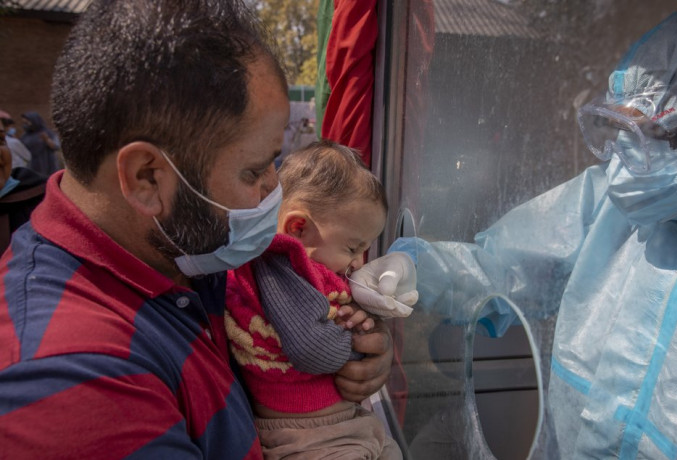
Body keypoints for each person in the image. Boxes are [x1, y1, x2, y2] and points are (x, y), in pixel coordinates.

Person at [0, 1, 393, 458]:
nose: (274, 189)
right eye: (254, 171)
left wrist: (358, 352)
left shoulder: (182, 246)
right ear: (148, 177)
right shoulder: (73, 386)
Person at [352, 0, 677, 458]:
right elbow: (503, 266)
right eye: (624, 130)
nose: (625, 163)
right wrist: (415, 268)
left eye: (660, 137)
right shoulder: (610, 204)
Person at [226, 140, 408, 459]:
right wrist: (354, 341)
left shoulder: (307, 267)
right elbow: (312, 350)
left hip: (335, 427)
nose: (357, 261)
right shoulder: (280, 266)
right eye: (352, 248)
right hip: (309, 437)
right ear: (299, 228)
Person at [19, 111, 61, 177]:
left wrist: (47, 140)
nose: (25, 125)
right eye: (24, 123)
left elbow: (56, 147)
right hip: (31, 166)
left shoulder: (47, 133)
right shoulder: (25, 136)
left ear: (34, 121)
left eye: (27, 123)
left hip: (47, 165)